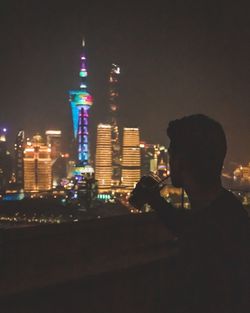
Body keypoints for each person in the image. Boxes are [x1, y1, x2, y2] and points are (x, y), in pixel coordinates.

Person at [129, 114, 250, 313]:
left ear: (180, 162)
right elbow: (187, 224)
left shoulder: (207, 234)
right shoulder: (227, 210)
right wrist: (157, 202)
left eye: (171, 155)